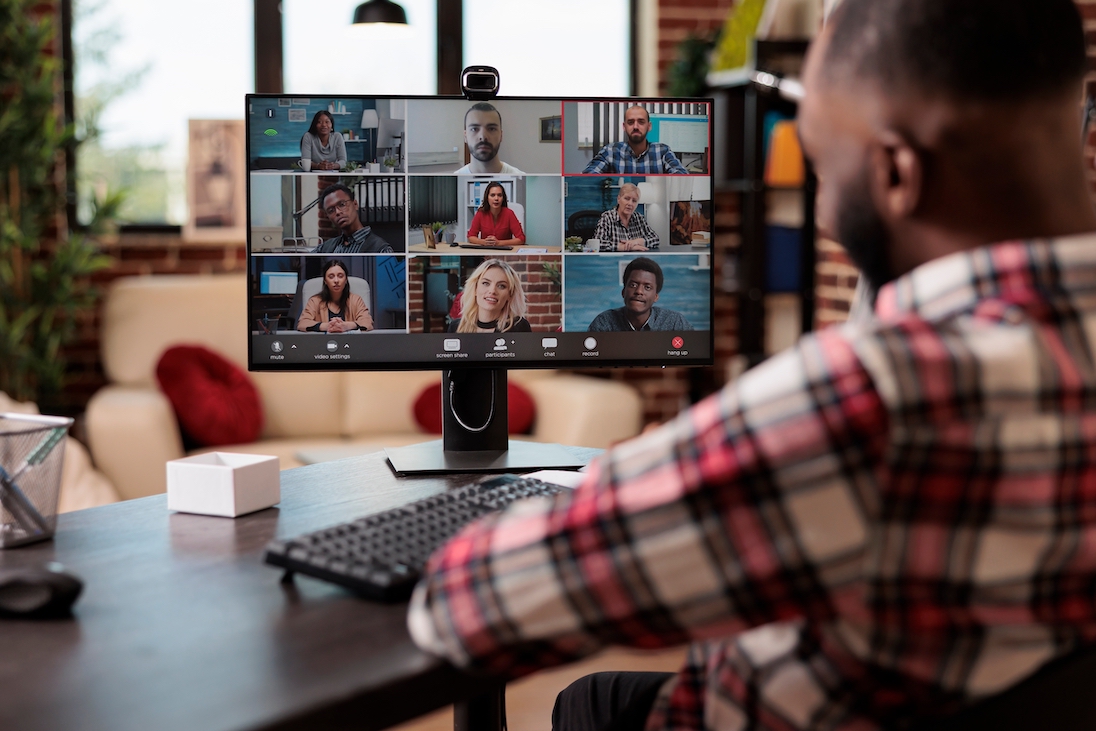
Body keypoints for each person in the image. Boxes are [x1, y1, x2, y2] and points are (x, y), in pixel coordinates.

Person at [407, 1, 1096, 729]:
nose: (825, 215)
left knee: (590, 702)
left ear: (896, 173)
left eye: (825, 171)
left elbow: (472, 604)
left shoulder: (873, 397)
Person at [588, 257, 692, 332]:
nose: (639, 291)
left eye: (647, 287)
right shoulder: (604, 323)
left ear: (656, 296)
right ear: (623, 292)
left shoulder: (675, 323)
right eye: (633, 285)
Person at [582, 105, 688, 174]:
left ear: (649, 126)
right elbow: (588, 175)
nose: (636, 126)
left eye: (641, 122)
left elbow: (681, 175)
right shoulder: (611, 151)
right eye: (630, 122)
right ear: (624, 127)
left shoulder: (662, 151)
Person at [448, 258, 531, 333]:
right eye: (486, 283)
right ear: (475, 289)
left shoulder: (519, 327)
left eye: (501, 286)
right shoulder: (455, 327)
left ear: (510, 294)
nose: (492, 291)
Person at [313, 183, 394, 254]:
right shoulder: (326, 248)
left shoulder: (380, 249)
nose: (337, 212)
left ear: (355, 204)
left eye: (342, 205)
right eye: (331, 210)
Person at [296, 259, 373, 333]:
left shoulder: (356, 300)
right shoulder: (314, 300)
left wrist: (346, 326)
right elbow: (302, 323)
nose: (336, 281)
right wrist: (327, 326)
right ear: (325, 281)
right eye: (331, 276)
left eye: (340, 276)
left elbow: (368, 322)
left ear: (346, 280)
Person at [454, 103, 525, 175]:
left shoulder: (520, 175)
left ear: (501, 135)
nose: (483, 136)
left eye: (491, 129)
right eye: (474, 129)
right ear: (465, 136)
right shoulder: (456, 176)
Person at [593, 183, 659, 252]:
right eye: (627, 199)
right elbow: (597, 244)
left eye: (634, 201)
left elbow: (655, 239)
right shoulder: (607, 217)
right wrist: (624, 247)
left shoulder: (639, 218)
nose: (630, 204)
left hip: (637, 260)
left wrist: (639, 241)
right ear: (619, 199)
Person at [467, 182, 526, 247]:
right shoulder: (480, 213)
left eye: (499, 195)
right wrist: (483, 242)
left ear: (503, 198)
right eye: (492, 195)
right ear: (487, 197)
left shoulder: (509, 213)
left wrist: (499, 243)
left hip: (504, 253)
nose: (496, 199)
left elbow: (521, 239)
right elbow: (471, 236)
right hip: (485, 252)